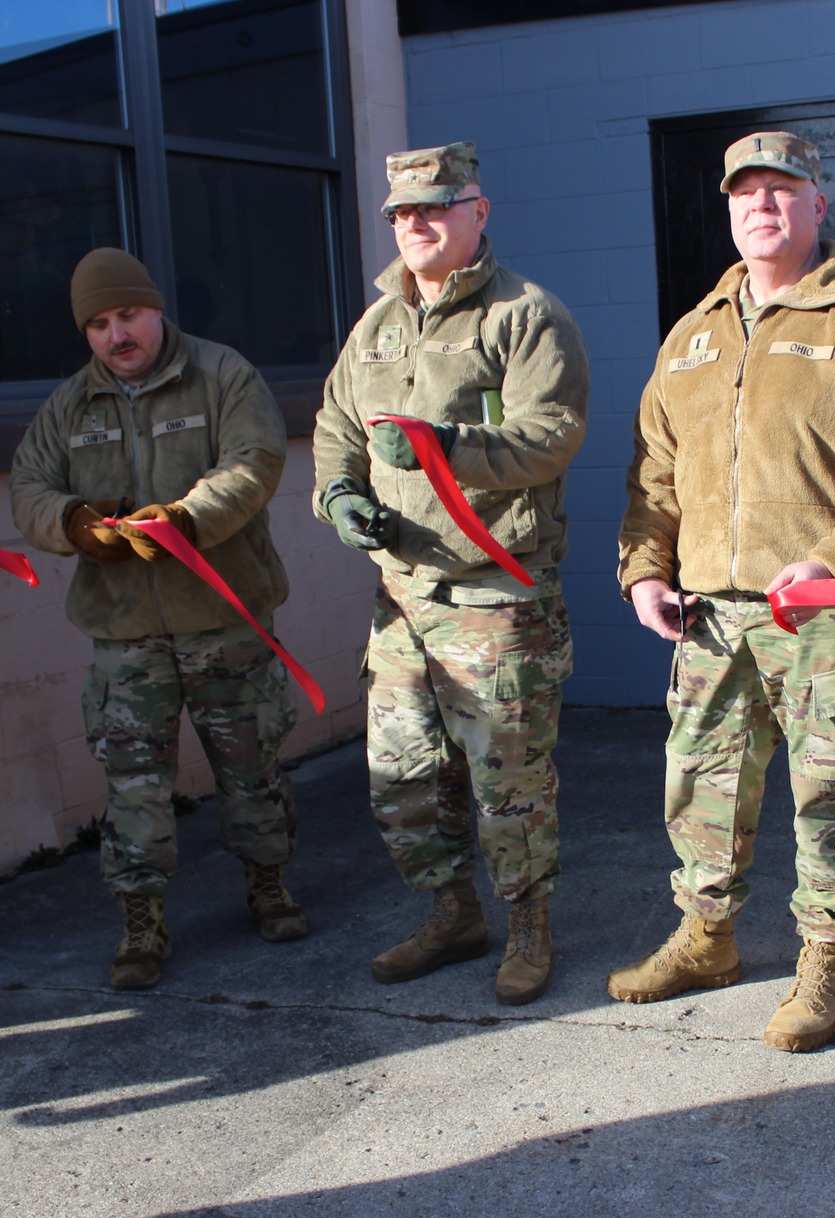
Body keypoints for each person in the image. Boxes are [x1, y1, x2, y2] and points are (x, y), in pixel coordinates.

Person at [613, 131, 835, 1051]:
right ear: (727, 211)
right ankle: (707, 935)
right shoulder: (692, 337)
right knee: (702, 783)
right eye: (744, 193)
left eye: (782, 190)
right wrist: (645, 569)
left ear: (819, 206)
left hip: (824, 613)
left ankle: (825, 962)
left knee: (829, 787)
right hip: (710, 617)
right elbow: (654, 472)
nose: (761, 205)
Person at [311, 141, 588, 1005]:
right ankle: (452, 912)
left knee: (508, 781)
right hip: (401, 596)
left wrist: (448, 449)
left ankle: (528, 928)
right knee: (404, 777)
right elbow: (333, 426)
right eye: (400, 212)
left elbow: (551, 435)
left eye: (434, 207)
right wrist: (338, 497)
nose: (415, 224)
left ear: (479, 210)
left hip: (495, 594)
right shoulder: (378, 322)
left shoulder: (525, 316)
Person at [10, 248, 299, 991]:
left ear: (156, 308)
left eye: (128, 315)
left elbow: (255, 460)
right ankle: (142, 920)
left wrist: (184, 519)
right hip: (125, 636)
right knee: (133, 785)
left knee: (252, 768)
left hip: (224, 622)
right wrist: (73, 525)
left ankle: (269, 884)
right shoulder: (70, 406)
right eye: (99, 324)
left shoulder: (221, 374)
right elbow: (28, 489)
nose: (117, 335)